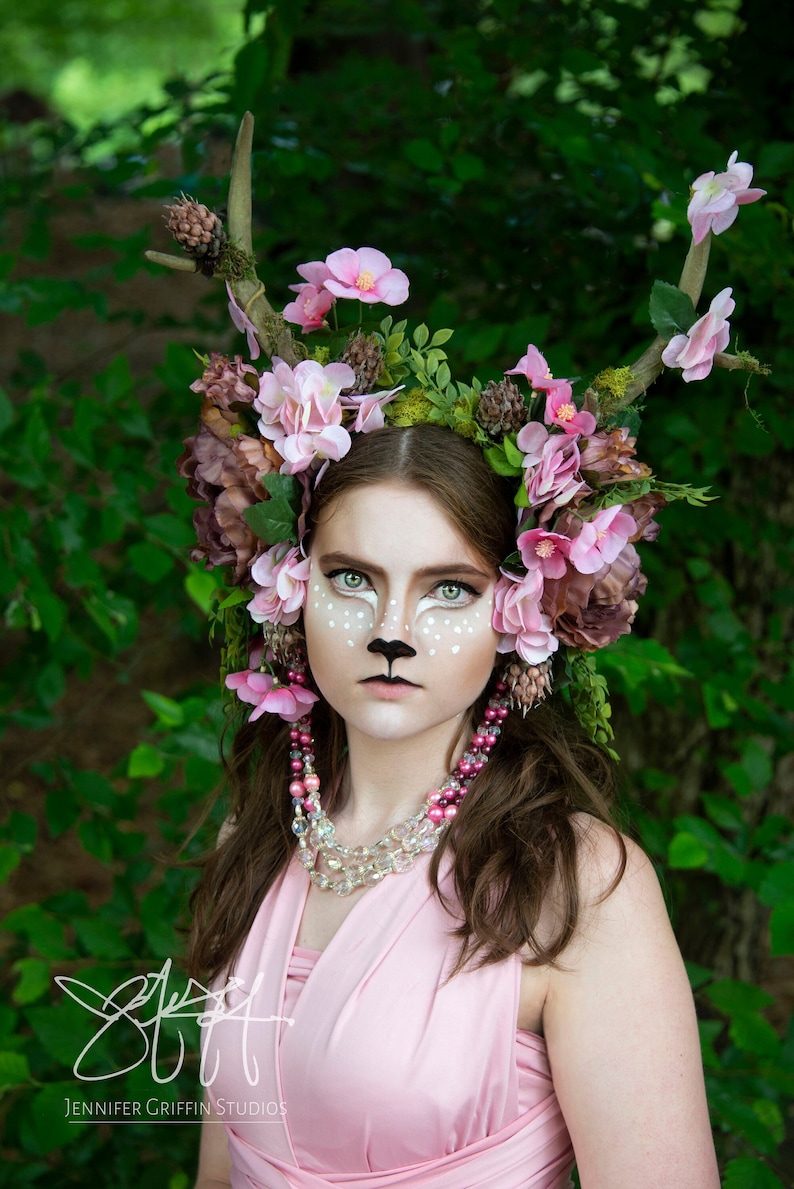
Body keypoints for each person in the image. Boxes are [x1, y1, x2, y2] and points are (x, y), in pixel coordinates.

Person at [186, 423, 720, 1189]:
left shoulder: (576, 880)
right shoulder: (260, 833)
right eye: (352, 578)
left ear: (518, 615)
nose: (392, 632)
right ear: (292, 589)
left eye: (450, 589)